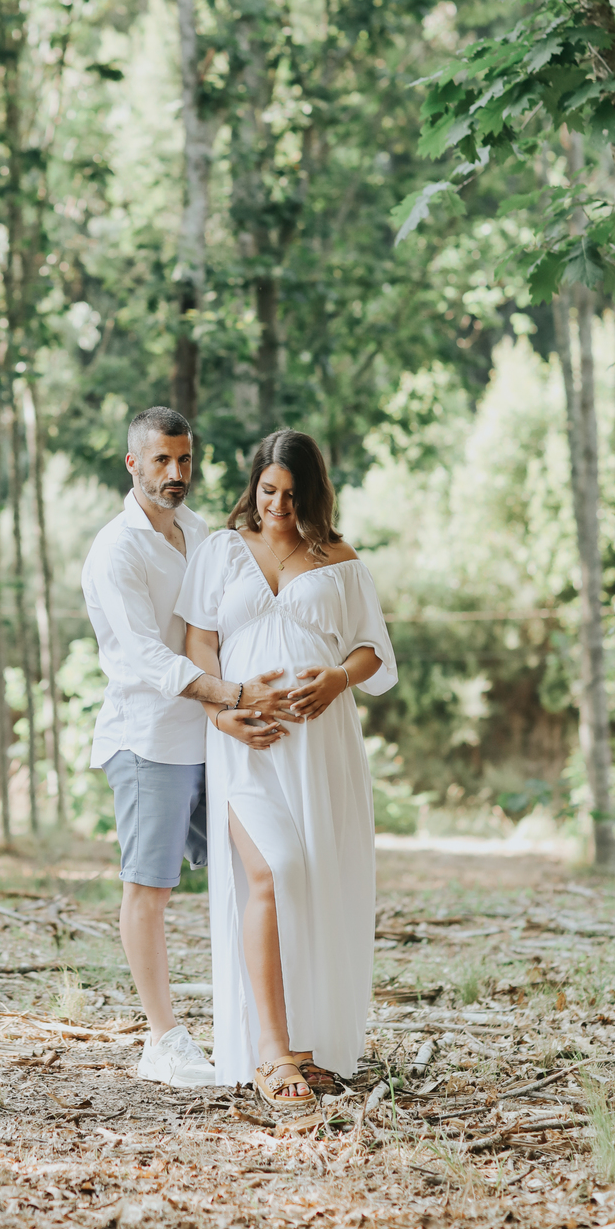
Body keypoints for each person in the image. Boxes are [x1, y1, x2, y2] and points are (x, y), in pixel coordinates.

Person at [175, 428, 396, 1118]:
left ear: (313, 493)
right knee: (273, 871)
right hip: (245, 740)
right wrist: (222, 711)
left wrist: (334, 679)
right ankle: (270, 1051)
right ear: (254, 486)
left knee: (315, 881)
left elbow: (371, 650)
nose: (279, 506)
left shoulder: (338, 557)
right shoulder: (220, 550)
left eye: (293, 495)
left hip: (321, 745)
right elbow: (199, 641)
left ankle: (307, 1045)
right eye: (269, 492)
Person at [82, 406, 293, 1088]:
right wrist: (232, 696)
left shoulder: (202, 533)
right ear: (132, 463)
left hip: (213, 737)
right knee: (150, 887)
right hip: (149, 740)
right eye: (161, 460)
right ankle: (163, 1038)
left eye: (185, 460)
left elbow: (217, 628)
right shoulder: (116, 550)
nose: (176, 474)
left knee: (254, 870)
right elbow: (146, 658)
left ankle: (256, 1028)